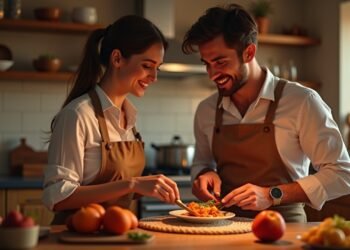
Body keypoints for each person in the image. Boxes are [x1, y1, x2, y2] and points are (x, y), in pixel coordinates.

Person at [182, 3, 350, 222]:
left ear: (249, 52)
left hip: (284, 229)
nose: (212, 74)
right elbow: (201, 163)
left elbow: (342, 174)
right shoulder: (206, 109)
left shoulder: (301, 102)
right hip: (222, 229)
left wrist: (272, 195)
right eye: (207, 64)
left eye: (220, 62)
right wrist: (204, 175)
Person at [42, 15, 180, 224]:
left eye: (157, 68)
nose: (154, 77)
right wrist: (131, 184)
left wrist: (145, 187)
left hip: (115, 236)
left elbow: (117, 190)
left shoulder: (130, 117)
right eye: (147, 66)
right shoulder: (77, 115)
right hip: (75, 238)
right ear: (117, 59)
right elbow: (57, 196)